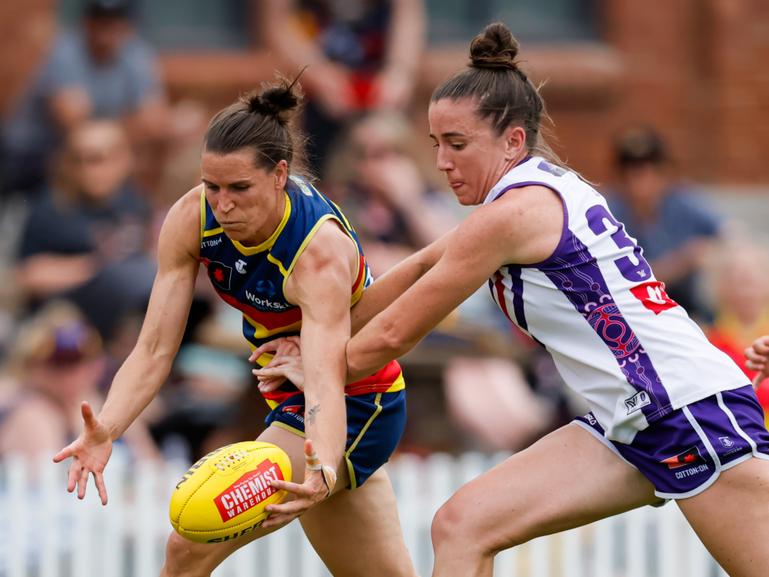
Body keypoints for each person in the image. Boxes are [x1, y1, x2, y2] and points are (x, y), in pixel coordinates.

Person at [254, 23, 769, 577]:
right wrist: (322, 327)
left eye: (458, 145)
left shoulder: (514, 213)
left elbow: (396, 335)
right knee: (463, 524)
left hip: (687, 411)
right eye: (437, 146)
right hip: (628, 422)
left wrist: (318, 365)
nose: (443, 163)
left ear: (513, 142)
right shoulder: (527, 197)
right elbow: (423, 263)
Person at [53, 77, 416, 577]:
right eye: (212, 186)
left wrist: (323, 464)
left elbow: (327, 378)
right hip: (294, 399)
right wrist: (108, 428)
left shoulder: (318, 251)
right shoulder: (192, 218)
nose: (222, 205)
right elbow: (156, 348)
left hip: (353, 404)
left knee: (188, 540)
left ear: (279, 175)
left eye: (239, 188)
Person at [1, 0, 167, 196]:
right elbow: (75, 124)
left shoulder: (135, 54)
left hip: (87, 153)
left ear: (127, 25)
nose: (105, 29)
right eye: (99, 19)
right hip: (32, 154)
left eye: (114, 21)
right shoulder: (65, 51)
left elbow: (155, 121)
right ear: (86, 22)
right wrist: (129, 126)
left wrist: (110, 132)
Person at [260, 0, 425, 176]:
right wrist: (319, 75)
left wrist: (399, 72)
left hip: (381, 87)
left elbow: (407, 13)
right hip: (315, 101)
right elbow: (277, 22)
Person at [605, 126, 723, 322]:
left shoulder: (684, 200)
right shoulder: (608, 209)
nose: (641, 177)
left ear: (665, 170)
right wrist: (680, 262)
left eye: (650, 167)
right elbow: (616, 276)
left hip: (689, 305)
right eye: (631, 169)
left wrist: (708, 254)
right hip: (630, 310)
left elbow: (729, 235)